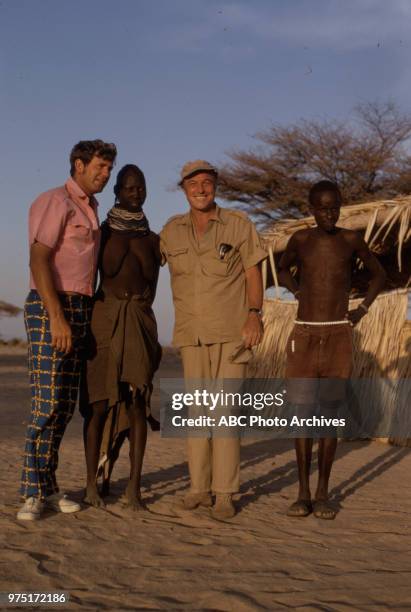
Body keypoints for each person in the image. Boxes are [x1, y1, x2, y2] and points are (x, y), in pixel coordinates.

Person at [160, 160, 267, 520]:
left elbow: (254, 273)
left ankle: (224, 494)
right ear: (184, 189)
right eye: (194, 184)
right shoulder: (170, 232)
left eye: (207, 182)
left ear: (216, 186)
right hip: (191, 336)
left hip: (232, 334)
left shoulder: (238, 224)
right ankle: (199, 490)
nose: (201, 189)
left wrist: (255, 315)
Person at [17, 139, 117, 521]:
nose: (104, 174)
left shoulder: (91, 208)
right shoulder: (55, 201)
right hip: (50, 304)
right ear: (78, 164)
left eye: (108, 168)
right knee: (46, 401)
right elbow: (39, 257)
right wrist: (56, 316)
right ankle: (30, 492)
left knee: (63, 407)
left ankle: (50, 486)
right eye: (99, 167)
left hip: (81, 307)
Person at [278, 180, 386, 520]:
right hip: (304, 334)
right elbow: (282, 268)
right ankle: (303, 493)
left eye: (335, 207)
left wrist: (362, 309)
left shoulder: (350, 240)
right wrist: (296, 292)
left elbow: (379, 275)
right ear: (311, 210)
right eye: (323, 208)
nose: (330, 213)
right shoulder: (301, 240)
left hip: (338, 334)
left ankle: (323, 493)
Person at [82, 164, 161, 511]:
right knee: (99, 404)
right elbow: (88, 282)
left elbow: (153, 289)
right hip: (104, 318)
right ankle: (90, 485)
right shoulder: (101, 234)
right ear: (117, 191)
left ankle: (134, 487)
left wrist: (144, 325)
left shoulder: (152, 240)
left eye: (141, 187)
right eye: (129, 188)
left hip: (140, 319)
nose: (136, 193)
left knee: (138, 403)